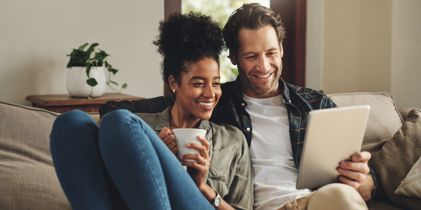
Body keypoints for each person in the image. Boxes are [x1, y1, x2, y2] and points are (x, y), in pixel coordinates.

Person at [100, 3, 376, 210]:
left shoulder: (316, 104)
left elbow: (365, 189)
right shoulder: (216, 100)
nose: (264, 66)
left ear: (281, 48)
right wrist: (152, 140)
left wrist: (361, 180)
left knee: (343, 197)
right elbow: (118, 114)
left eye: (270, 53)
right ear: (233, 58)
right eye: (252, 56)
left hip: (315, 202)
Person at [51, 12, 252, 210]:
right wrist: (157, 156)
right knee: (70, 123)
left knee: (119, 121)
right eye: (199, 83)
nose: (210, 93)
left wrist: (203, 188)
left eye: (216, 84)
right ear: (174, 83)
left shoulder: (233, 141)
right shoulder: (138, 131)